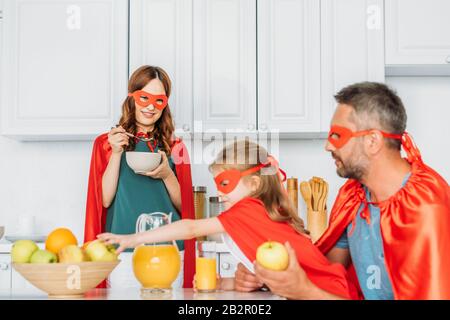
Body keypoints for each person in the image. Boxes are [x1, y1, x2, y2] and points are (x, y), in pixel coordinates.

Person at [239, 82, 450, 300]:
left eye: (337, 136)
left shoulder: (426, 205)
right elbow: (327, 277)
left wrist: (306, 292)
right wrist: (270, 278)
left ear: (373, 141)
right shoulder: (353, 197)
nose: (328, 146)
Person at [97, 140, 359, 299]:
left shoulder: (248, 209)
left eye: (226, 183)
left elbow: (190, 227)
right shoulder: (262, 212)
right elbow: (273, 277)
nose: (220, 194)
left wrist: (131, 239)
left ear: (255, 183)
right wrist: (228, 283)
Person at [84, 65, 196, 288]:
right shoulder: (106, 143)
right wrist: (116, 153)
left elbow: (186, 207)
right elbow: (104, 200)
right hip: (122, 252)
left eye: (159, 101)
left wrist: (166, 175)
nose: (151, 107)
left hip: (170, 250)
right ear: (131, 98)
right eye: (144, 97)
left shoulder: (176, 146)